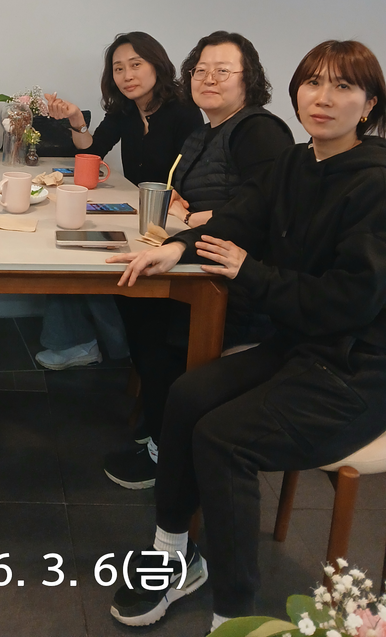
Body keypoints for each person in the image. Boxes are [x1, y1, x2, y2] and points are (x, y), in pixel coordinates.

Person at [106, 39, 386, 632]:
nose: (323, 97)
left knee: (224, 439)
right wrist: (177, 248)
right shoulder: (297, 161)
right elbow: (239, 218)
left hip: (358, 367)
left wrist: (249, 272)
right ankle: (172, 555)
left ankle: (234, 613)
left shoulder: (376, 183)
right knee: (186, 395)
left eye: (343, 86)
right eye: (313, 82)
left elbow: (350, 301)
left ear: (369, 105)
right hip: (298, 345)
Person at [104, 31, 294, 490]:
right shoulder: (204, 132)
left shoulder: (258, 131)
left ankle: (167, 447)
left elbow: (261, 211)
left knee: (150, 316)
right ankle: (159, 421)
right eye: (200, 70)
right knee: (132, 295)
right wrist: (181, 207)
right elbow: (200, 197)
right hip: (201, 260)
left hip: (236, 284)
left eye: (222, 71)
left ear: (249, 79)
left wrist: (188, 232)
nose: (208, 79)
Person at [38, 32, 203, 369]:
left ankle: (109, 346)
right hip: (137, 211)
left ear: (157, 65)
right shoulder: (125, 110)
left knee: (90, 259)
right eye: (118, 68)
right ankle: (87, 342)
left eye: (135, 65)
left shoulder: (183, 111)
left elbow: (192, 172)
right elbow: (94, 151)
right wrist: (76, 120)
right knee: (69, 243)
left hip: (172, 218)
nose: (127, 75)